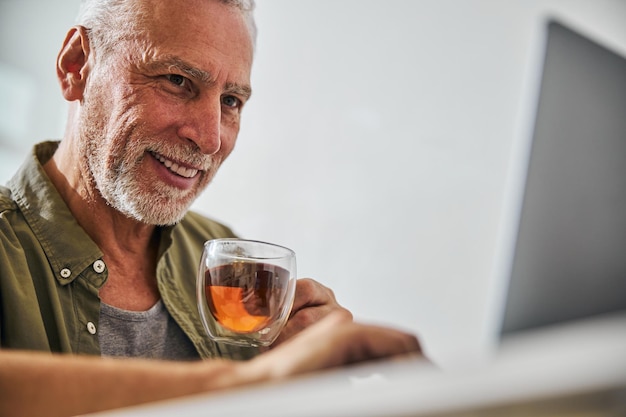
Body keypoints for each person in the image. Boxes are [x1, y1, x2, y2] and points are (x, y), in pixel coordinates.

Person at [0, 0, 422, 416]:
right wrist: (249, 383)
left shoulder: (225, 259)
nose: (210, 138)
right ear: (77, 66)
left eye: (231, 101)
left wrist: (308, 386)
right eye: (177, 80)